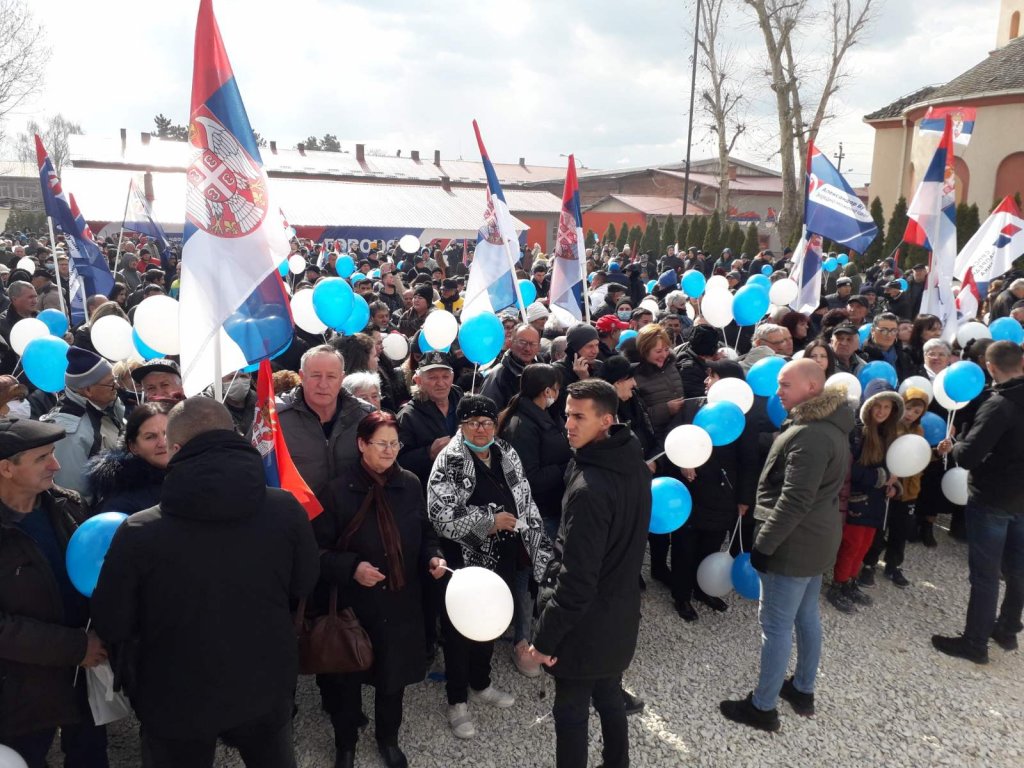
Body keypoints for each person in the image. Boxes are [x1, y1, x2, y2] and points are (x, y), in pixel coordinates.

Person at [91, 398, 320, 768]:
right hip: (265, 679)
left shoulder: (139, 530)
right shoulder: (286, 508)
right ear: (233, 434)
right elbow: (305, 582)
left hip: (174, 692)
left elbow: (113, 621)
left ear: (176, 448)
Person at [720, 360, 853, 732]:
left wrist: (764, 545)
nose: (777, 391)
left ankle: (763, 707)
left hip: (794, 543)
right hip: (816, 538)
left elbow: (794, 500)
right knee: (806, 615)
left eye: (785, 384)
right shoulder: (829, 424)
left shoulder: (811, 435)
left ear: (811, 387)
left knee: (775, 626)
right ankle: (802, 689)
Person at [529, 379, 651, 768]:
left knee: (571, 712)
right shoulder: (633, 462)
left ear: (606, 421)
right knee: (610, 693)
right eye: (567, 414)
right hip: (620, 615)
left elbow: (577, 582)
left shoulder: (590, 489)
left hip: (585, 629)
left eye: (579, 417)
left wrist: (544, 641)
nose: (568, 424)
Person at [315, 412, 447, 768]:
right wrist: (351, 568)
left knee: (393, 680)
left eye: (395, 444)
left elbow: (426, 533)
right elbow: (316, 551)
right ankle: (345, 745)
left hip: (400, 601)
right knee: (346, 682)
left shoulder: (410, 483)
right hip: (353, 606)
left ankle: (388, 739)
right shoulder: (337, 491)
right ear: (361, 444)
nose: (390, 451)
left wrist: (433, 557)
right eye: (381, 444)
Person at [426, 395, 554, 740]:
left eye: (486, 422)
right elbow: (440, 516)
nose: (480, 430)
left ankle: (481, 682)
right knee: (459, 630)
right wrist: (488, 521)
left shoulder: (506, 451)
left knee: (491, 620)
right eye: (472, 423)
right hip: (465, 562)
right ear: (461, 425)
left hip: (504, 555)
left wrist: (539, 547)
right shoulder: (450, 460)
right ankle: (457, 700)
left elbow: (524, 499)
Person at [0, 418, 109, 767]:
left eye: (53, 453)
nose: (56, 465)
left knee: (90, 755)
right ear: (6, 468)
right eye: (42, 458)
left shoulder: (66, 504)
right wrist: (76, 647)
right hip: (21, 689)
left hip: (83, 675)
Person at [932, 341, 1024, 662]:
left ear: (990, 367)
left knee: (985, 574)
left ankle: (975, 642)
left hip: (993, 497)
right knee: (1017, 568)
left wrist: (954, 444)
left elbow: (969, 456)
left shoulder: (999, 404)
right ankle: (1008, 628)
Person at [496, 363, 570, 676]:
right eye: (557, 388)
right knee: (526, 576)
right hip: (533, 513)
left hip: (548, 508)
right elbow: (528, 477)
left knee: (540, 574)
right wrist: (567, 466)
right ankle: (522, 640)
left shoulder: (542, 415)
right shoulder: (522, 424)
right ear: (547, 391)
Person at [673, 360, 758, 621]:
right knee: (684, 547)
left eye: (713, 376)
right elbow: (673, 439)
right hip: (691, 492)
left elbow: (749, 461)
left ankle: (703, 589)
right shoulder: (693, 407)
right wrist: (683, 462)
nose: (706, 381)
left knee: (710, 546)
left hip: (724, 495)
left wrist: (744, 498)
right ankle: (681, 595)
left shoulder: (743, 418)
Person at [827, 381, 902, 613]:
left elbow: (895, 467)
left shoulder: (889, 434)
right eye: (877, 406)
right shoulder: (857, 434)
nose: (881, 411)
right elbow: (849, 469)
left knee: (865, 546)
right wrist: (881, 477)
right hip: (857, 501)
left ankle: (850, 581)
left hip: (877, 502)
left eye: (887, 407)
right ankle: (838, 584)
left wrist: (894, 486)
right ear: (867, 406)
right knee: (851, 545)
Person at [277, 345, 374, 496]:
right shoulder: (276, 419)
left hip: (355, 509)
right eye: (316, 375)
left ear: (341, 378)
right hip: (298, 509)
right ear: (302, 376)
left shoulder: (365, 416)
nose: (323, 384)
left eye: (331, 376)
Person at [43, 347, 125, 497]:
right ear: (87, 390)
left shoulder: (106, 405)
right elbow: (74, 493)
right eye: (110, 383)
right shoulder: (69, 432)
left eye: (115, 379)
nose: (117, 386)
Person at [86, 401, 171, 514]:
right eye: (150, 437)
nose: (162, 443)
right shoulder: (120, 505)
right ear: (133, 446)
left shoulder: (190, 476)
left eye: (168, 433)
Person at [396, 351, 462, 490]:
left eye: (445, 376)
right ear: (418, 380)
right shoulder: (407, 416)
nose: (440, 383)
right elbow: (397, 462)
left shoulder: (463, 403)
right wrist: (428, 453)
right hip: (430, 491)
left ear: (452, 377)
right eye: (432, 377)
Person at [481, 324, 540, 411]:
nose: (527, 348)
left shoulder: (542, 371)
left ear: (538, 347)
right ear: (511, 343)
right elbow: (486, 411)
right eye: (522, 342)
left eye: (532, 344)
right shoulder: (498, 375)